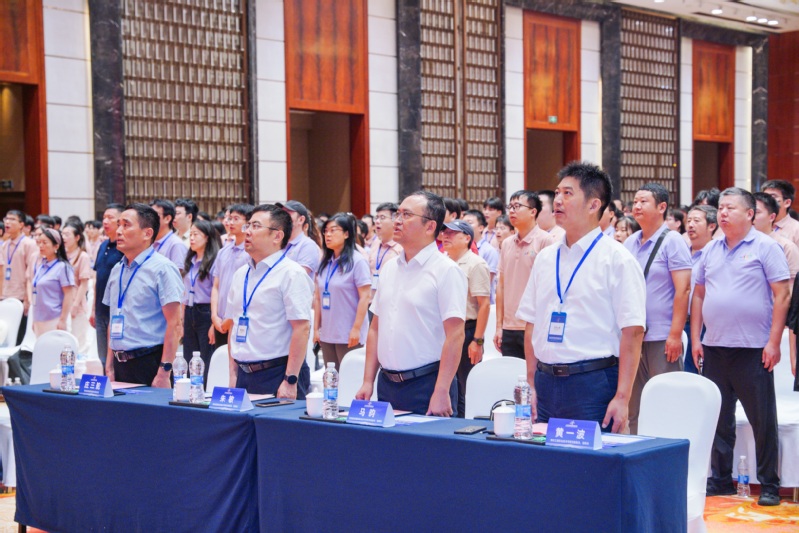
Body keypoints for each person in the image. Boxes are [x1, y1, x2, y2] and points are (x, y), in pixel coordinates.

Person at [516, 161, 646, 432]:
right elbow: (531, 323)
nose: (557, 200)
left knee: (589, 458)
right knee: (545, 457)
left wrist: (623, 397)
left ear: (593, 204)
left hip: (592, 383)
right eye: (557, 193)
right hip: (545, 380)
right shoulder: (546, 257)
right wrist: (531, 383)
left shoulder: (617, 260)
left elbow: (633, 332)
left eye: (568, 193)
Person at [692, 187, 789, 507]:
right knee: (719, 418)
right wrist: (696, 338)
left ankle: (770, 484)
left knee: (762, 420)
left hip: (753, 348)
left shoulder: (766, 247)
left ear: (749, 214)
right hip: (715, 347)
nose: (722, 213)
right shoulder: (711, 248)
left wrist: (773, 342)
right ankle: (720, 479)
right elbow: (699, 294)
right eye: (720, 207)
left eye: (730, 208)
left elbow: (782, 295)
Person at [355, 191, 467, 416]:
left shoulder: (446, 270)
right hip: (387, 384)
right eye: (397, 214)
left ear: (430, 226)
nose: (397, 220)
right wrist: (368, 381)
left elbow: (455, 335)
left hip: (426, 384)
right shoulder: (390, 268)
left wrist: (441, 390)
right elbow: (375, 328)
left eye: (406, 215)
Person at [224, 205, 313, 396]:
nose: (248, 231)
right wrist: (232, 374)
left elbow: (302, 328)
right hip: (243, 374)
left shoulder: (291, 273)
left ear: (277, 236)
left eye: (256, 226)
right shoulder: (241, 274)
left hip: (278, 373)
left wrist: (290, 380)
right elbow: (234, 324)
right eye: (248, 225)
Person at [624, 183, 692, 434]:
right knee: (633, 405)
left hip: (662, 337)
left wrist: (675, 334)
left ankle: (669, 453)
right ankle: (635, 451)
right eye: (635, 201)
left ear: (662, 207)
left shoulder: (673, 241)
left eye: (644, 201)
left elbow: (683, 290)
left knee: (666, 403)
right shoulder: (630, 242)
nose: (637, 206)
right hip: (633, 335)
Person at [103, 204, 184, 386]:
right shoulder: (117, 269)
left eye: (126, 225)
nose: (119, 231)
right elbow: (113, 318)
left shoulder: (163, 269)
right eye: (119, 225)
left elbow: (175, 324)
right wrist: (109, 365)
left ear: (147, 233)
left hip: (149, 362)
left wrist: (164, 372)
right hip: (119, 363)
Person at [494, 191, 554, 359]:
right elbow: (501, 286)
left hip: (533, 325)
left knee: (533, 373)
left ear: (533, 211)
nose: (512, 211)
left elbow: (548, 288)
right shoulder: (506, 243)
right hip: (509, 327)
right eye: (510, 207)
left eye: (517, 206)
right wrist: (499, 326)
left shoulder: (546, 241)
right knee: (511, 372)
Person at [440, 219, 490, 418]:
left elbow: (484, 305)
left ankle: (463, 423)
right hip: (444, 329)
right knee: (448, 382)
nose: (446, 236)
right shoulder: (442, 261)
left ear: (467, 238)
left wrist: (477, 341)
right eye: (445, 233)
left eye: (452, 233)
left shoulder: (475, 264)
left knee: (465, 384)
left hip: (467, 329)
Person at [313, 213, 372, 370]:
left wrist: (356, 328)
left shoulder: (357, 261)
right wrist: (316, 328)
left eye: (333, 230)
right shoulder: (325, 262)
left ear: (346, 234)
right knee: (331, 378)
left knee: (349, 377)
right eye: (326, 231)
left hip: (348, 333)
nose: (328, 235)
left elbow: (365, 297)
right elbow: (318, 298)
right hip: (327, 332)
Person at [210, 204, 253, 347]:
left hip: (239, 320)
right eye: (229, 218)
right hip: (219, 321)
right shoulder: (223, 251)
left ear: (247, 223)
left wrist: (230, 318)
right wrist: (214, 316)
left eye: (236, 219)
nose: (231, 222)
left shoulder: (251, 253)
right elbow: (216, 286)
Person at [183, 220, 221, 382]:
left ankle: (204, 390)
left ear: (207, 237)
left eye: (196, 234)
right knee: (189, 356)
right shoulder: (190, 260)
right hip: (189, 310)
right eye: (190, 234)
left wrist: (213, 322)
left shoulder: (214, 260)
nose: (191, 238)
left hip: (206, 312)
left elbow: (217, 291)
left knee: (205, 357)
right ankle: (191, 389)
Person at [684, 205, 718, 374]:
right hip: (679, 323)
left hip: (705, 326)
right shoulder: (681, 252)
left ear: (711, 226)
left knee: (701, 375)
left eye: (696, 221)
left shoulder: (716, 254)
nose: (690, 225)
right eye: (689, 220)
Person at [91, 204, 125, 370]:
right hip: (100, 309)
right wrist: (93, 309)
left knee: (116, 357)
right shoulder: (103, 246)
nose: (105, 221)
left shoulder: (123, 247)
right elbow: (98, 279)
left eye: (110, 217)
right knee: (102, 357)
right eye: (104, 217)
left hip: (117, 310)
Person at [28, 228, 76, 336]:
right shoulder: (41, 266)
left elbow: (69, 294)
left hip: (54, 318)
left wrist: (62, 320)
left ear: (56, 246)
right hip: (39, 319)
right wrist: (34, 320)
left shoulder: (62, 267)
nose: (41, 245)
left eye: (45, 243)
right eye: (39, 242)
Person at [1, 210, 39, 345]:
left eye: (12, 219)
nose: (7, 222)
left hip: (21, 296)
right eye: (6, 219)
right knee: (6, 335)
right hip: (5, 295)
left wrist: (28, 299)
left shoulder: (29, 244)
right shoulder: (4, 244)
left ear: (21, 224)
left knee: (19, 337)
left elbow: (31, 273)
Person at [62, 221, 93, 356]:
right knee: (65, 342)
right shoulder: (62, 255)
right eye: (62, 234)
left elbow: (84, 284)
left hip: (77, 303)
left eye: (67, 234)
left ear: (77, 237)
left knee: (78, 342)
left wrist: (75, 304)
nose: (64, 237)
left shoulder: (82, 256)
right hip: (63, 303)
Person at [277, 200, 321, 277]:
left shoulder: (307, 245)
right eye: (282, 213)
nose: (283, 217)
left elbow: (299, 276)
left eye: (287, 213)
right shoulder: (279, 243)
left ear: (301, 220)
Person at [368, 202, 402, 298]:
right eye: (376, 217)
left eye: (382, 217)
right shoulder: (375, 244)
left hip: (391, 300)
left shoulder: (401, 247)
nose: (377, 221)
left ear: (395, 220)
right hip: (372, 301)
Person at [463, 209, 499, 300]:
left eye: (469, 223)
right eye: (463, 223)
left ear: (481, 228)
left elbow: (486, 282)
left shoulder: (489, 251)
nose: (464, 227)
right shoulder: (461, 248)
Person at [149, 199, 188, 272]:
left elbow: (178, 275)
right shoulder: (149, 241)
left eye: (154, 215)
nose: (150, 219)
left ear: (167, 219)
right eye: (149, 215)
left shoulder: (176, 245)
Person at [762, 180, 799, 248]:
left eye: (772, 197)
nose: (766, 201)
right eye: (765, 196)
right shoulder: (756, 224)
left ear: (787, 203)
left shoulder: (796, 229)